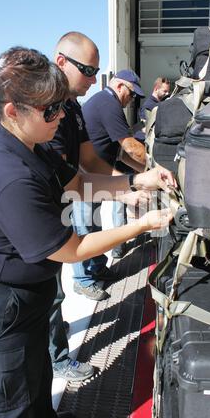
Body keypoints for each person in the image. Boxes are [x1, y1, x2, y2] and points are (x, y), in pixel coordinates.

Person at [0, 46, 174, 418]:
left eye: (60, 106)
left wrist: (136, 180)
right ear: (13, 111)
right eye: (50, 110)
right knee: (11, 405)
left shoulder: (33, 146)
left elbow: (78, 182)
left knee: (38, 378)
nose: (60, 116)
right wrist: (143, 225)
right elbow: (72, 249)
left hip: (26, 296)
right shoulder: (8, 173)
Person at [46, 33, 151, 382]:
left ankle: (53, 354)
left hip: (61, 203)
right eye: (88, 70)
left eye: (96, 71)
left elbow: (89, 162)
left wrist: (130, 185)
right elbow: (74, 180)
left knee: (53, 290)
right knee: (48, 293)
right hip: (42, 217)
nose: (94, 79)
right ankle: (58, 359)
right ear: (61, 62)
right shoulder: (48, 110)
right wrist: (131, 194)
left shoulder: (71, 108)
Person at [82, 70, 149, 260]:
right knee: (86, 226)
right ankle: (85, 279)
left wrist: (145, 171)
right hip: (87, 173)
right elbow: (129, 147)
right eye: (132, 93)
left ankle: (97, 267)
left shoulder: (107, 102)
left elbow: (119, 152)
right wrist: (155, 165)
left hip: (99, 170)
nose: (132, 99)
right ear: (120, 86)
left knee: (95, 224)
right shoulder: (108, 104)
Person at [135, 76, 171, 143]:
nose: (167, 94)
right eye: (165, 91)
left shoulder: (161, 103)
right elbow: (144, 129)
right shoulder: (148, 106)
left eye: (168, 91)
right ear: (156, 89)